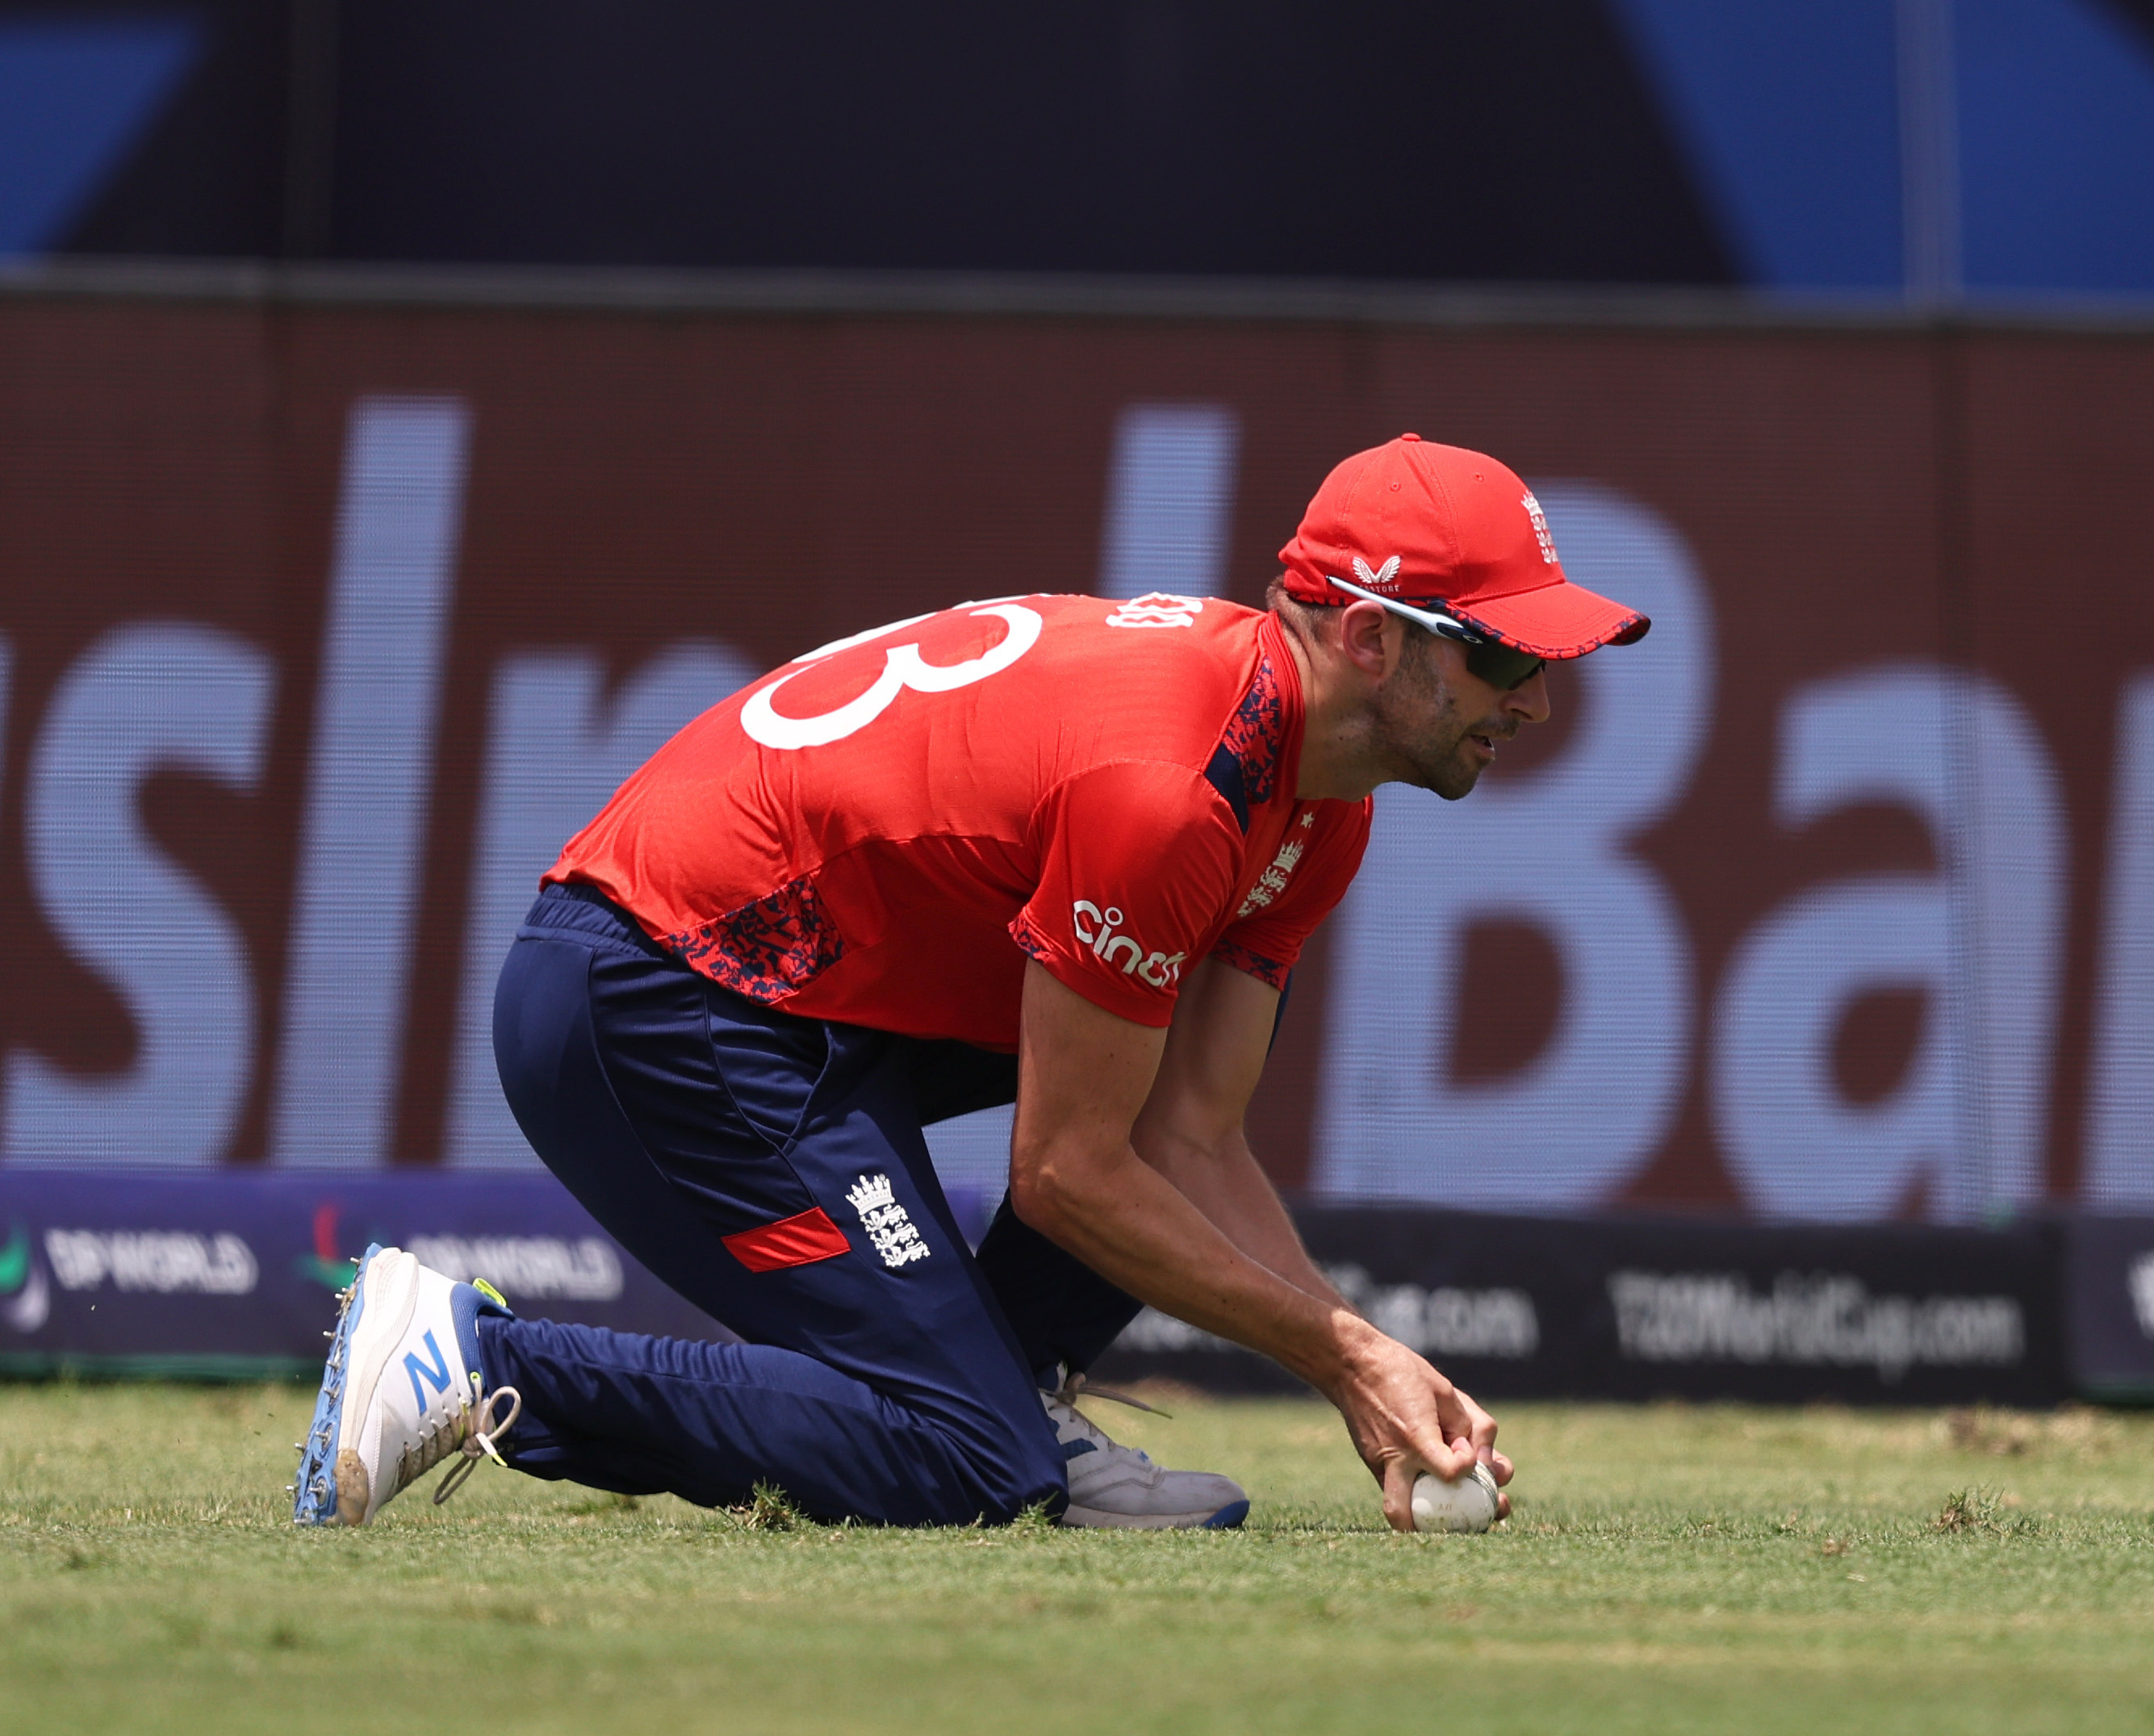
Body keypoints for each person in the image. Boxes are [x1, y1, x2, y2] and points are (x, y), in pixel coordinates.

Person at [294, 433, 1649, 1532]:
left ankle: (1010, 1395)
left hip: (783, 1001)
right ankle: (474, 1363)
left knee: (1088, 1209)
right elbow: (1066, 1171)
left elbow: (1188, 1136)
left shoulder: (1317, 804)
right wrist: (1348, 1357)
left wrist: (1364, 1367)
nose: (1533, 702)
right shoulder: (1177, 797)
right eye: (1502, 657)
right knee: (965, 1464)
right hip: (660, 989)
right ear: (1367, 638)